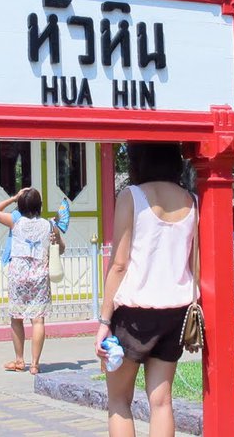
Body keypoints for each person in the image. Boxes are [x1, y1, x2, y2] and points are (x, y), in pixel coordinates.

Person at [94, 142, 197, 437]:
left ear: (139, 159)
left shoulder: (132, 195)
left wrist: (104, 321)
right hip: (175, 313)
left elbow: (119, 265)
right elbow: (196, 264)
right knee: (162, 402)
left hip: (133, 314)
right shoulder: (191, 200)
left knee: (118, 400)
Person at [0, 187, 63, 374]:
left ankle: (20, 360)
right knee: (38, 321)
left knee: (16, 318)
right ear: (40, 205)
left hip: (18, 276)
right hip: (40, 275)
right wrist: (55, 241)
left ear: (20, 205)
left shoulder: (16, 221)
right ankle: (35, 364)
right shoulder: (49, 225)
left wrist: (13, 197)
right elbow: (60, 249)